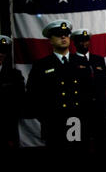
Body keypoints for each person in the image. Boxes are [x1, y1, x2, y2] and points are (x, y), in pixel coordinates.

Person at [25, 20, 92, 151]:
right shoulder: (42, 65)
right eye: (58, 34)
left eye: (66, 34)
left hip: (77, 121)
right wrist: (46, 119)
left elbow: (89, 91)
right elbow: (33, 94)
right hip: (54, 123)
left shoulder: (81, 61)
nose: (63, 37)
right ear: (50, 40)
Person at [71, 29, 106, 152]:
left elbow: (105, 82)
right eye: (80, 41)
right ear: (75, 43)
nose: (84, 43)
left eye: (86, 40)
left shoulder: (99, 59)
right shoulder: (70, 61)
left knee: (102, 143)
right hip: (80, 110)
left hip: (100, 109)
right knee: (81, 144)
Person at [0, 35, 25, 150]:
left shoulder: (15, 75)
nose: (0, 54)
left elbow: (19, 101)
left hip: (8, 126)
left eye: (3, 51)